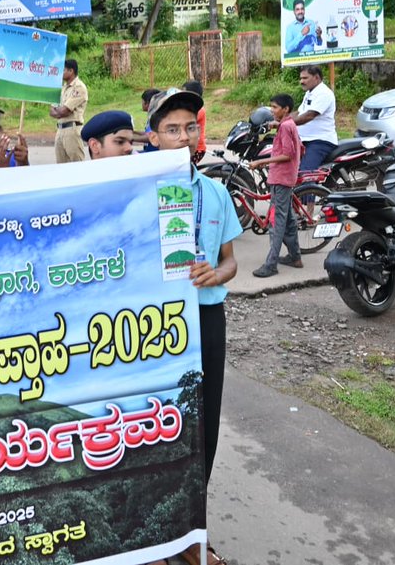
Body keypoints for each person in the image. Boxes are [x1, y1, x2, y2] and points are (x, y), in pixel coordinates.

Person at [145, 87, 240, 565]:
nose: (183, 136)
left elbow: (230, 263)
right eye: (171, 128)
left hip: (205, 319)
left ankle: (190, 535)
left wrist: (214, 274)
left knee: (204, 430)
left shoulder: (217, 193)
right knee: (157, 426)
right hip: (154, 327)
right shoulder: (137, 194)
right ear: (153, 136)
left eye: (190, 126)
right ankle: (153, 537)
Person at [249, 94, 303, 278]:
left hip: (281, 178)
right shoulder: (288, 125)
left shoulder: (287, 127)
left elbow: (288, 154)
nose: (272, 110)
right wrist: (276, 124)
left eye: (275, 107)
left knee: (276, 223)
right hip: (285, 178)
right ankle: (295, 256)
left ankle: (271, 264)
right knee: (287, 219)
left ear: (286, 109)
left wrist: (261, 162)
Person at [291, 65, 337, 173]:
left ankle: (309, 190)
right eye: (301, 78)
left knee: (305, 174)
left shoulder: (324, 93)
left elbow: (309, 115)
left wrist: (283, 123)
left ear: (316, 77)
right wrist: (280, 119)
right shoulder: (310, 92)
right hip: (305, 139)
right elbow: (299, 112)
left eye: (305, 78)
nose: (301, 81)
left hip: (319, 141)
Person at [49, 58, 88, 163]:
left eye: (63, 70)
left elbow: (64, 111)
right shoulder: (62, 88)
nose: (61, 73)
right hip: (60, 129)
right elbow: (51, 111)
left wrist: (59, 111)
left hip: (72, 129)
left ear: (71, 71)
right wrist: (59, 111)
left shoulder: (79, 87)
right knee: (61, 166)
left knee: (76, 165)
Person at [183, 80, 208, 165]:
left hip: (197, 149)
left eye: (184, 93)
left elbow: (185, 121)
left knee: (186, 171)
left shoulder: (199, 110)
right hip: (187, 146)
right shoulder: (189, 108)